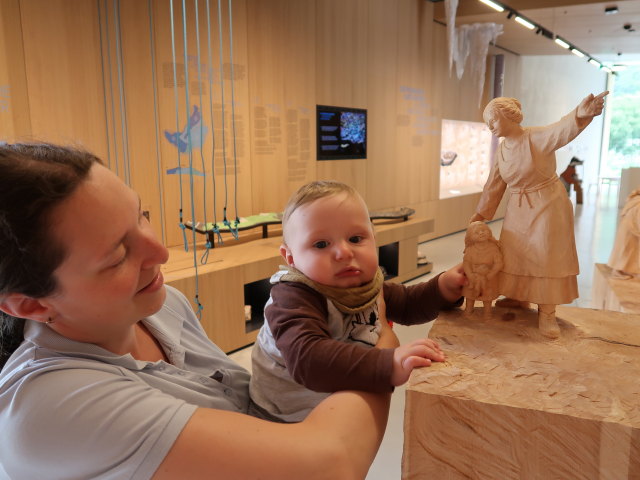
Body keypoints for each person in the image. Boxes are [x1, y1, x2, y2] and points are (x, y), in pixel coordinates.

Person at [0, 143, 393, 479]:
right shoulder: (51, 406)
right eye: (118, 254)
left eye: (142, 216)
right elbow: (330, 463)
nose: (161, 252)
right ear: (32, 303)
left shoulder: (164, 305)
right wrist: (381, 343)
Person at [249, 180, 465, 423]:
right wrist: (388, 363)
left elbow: (407, 303)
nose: (343, 252)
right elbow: (308, 359)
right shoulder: (293, 297)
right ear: (291, 257)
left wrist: (443, 288)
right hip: (284, 418)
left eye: (355, 238)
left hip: (332, 400)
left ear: (374, 238)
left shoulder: (365, 284)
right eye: (321, 244)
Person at [470, 91, 608, 338]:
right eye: (487, 122)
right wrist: (480, 214)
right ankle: (518, 297)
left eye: (493, 120)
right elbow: (494, 183)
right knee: (514, 253)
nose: (490, 126)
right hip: (518, 208)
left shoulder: (535, 137)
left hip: (547, 203)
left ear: (509, 117)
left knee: (545, 256)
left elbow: (561, 129)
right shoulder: (502, 150)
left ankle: (547, 312)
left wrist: (580, 113)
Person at [462, 221, 503, 319]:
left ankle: (487, 313)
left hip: (488, 278)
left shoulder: (493, 248)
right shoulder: (470, 250)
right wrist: (470, 275)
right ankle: (469, 309)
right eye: (477, 232)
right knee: (470, 295)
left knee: (487, 297)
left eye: (483, 230)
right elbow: (466, 263)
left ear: (489, 232)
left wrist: (490, 274)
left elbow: (499, 263)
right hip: (473, 277)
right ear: (470, 237)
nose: (481, 233)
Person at [607, 188, 640, 279]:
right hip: (630, 231)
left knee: (627, 252)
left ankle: (628, 270)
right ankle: (618, 271)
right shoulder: (638, 204)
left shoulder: (635, 200)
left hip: (628, 230)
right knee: (626, 252)